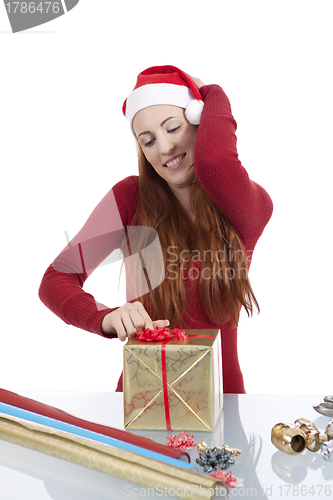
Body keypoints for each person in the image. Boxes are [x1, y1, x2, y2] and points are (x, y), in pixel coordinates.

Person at [39, 65, 273, 394]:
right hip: (142, 397)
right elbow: (55, 280)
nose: (163, 148)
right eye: (147, 141)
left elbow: (216, 163)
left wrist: (211, 94)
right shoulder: (129, 199)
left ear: (200, 123)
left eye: (173, 127)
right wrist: (107, 317)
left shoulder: (247, 205)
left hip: (222, 399)